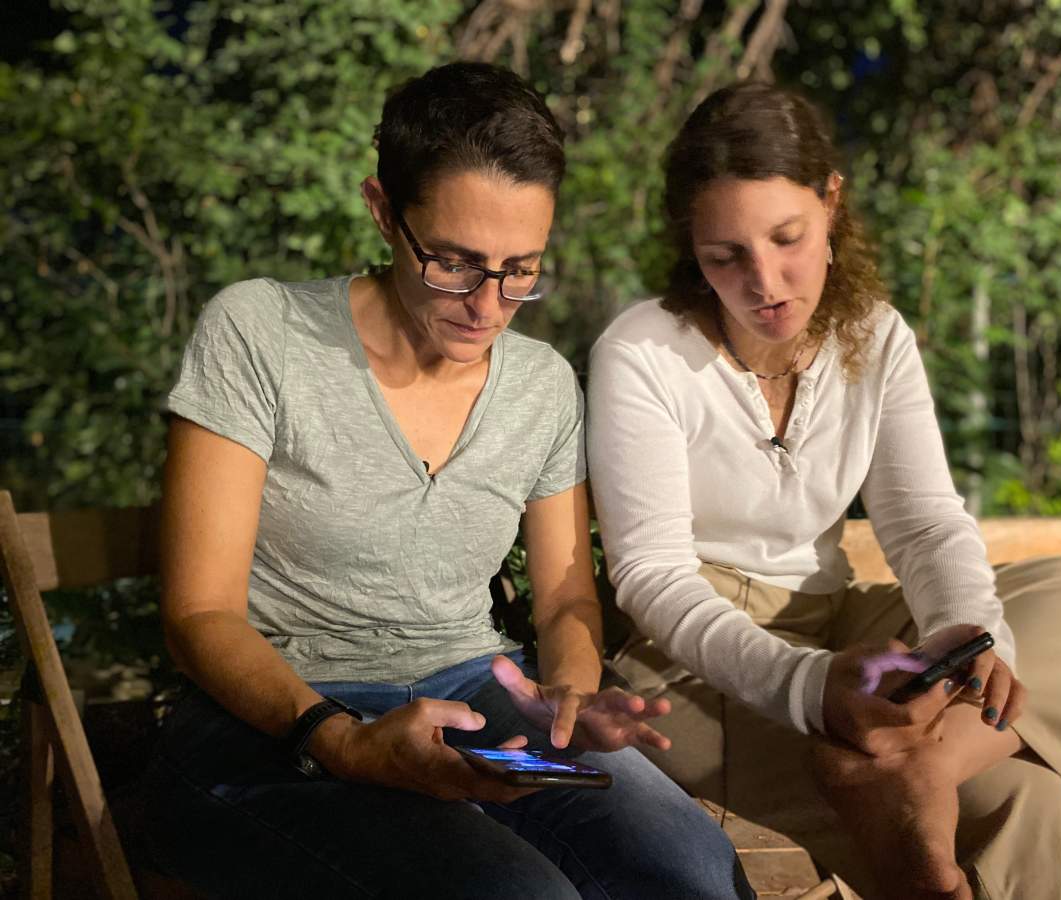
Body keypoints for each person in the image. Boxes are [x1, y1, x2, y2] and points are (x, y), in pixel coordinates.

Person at [142, 62, 755, 900]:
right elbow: (197, 616)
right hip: (270, 718)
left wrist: (570, 697)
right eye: (455, 264)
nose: (488, 305)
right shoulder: (261, 334)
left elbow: (566, 597)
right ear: (384, 212)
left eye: (521, 269)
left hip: (475, 697)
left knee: (694, 871)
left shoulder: (540, 387)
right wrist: (345, 741)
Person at [586, 80, 1061, 900]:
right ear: (690, 245)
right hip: (695, 671)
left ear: (832, 203)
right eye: (725, 256)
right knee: (1025, 801)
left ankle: (926, 760)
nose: (765, 280)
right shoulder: (642, 351)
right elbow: (653, 577)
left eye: (788, 238)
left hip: (846, 622)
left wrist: (969, 631)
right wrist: (810, 688)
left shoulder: (874, 334)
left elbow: (922, 522)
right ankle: (921, 765)